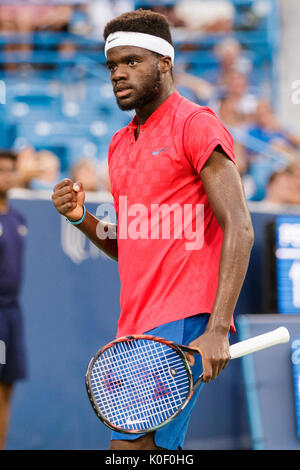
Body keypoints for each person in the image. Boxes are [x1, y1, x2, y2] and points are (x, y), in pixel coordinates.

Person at [51, 9, 254, 450]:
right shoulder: (119, 143)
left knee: (131, 450)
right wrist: (80, 218)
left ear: (164, 62)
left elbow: (239, 225)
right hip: (137, 324)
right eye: (112, 65)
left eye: (131, 62)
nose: (118, 74)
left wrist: (218, 327)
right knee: (159, 452)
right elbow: (134, 246)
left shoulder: (196, 124)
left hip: (183, 322)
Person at [0, 150, 27, 449]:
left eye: (11, 170)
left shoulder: (18, 218)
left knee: (7, 389)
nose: (6, 175)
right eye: (1, 170)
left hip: (12, 316)